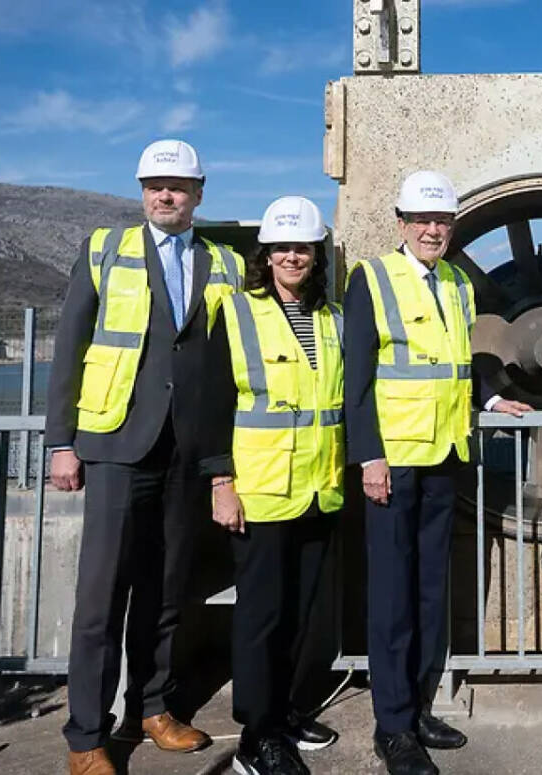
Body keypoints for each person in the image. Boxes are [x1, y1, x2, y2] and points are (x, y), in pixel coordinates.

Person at [46, 139, 244, 775]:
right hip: (114, 447)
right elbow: (70, 346)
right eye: (156, 184)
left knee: (166, 592)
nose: (167, 194)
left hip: (185, 451)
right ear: (141, 190)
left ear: (199, 193)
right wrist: (61, 443)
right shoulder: (106, 250)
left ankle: (152, 708)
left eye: (179, 186)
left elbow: (225, 360)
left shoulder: (223, 262)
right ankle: (86, 736)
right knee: (101, 598)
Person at [344, 170, 533, 775]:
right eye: (422, 221)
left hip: (445, 456)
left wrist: (491, 399)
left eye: (442, 221)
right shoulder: (371, 278)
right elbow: (358, 377)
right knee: (392, 597)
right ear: (401, 224)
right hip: (394, 463)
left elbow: (455, 359)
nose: (432, 230)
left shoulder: (455, 282)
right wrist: (369, 455)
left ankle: (421, 706)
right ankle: (392, 725)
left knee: (430, 591)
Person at [201, 196, 345, 775]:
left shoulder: (331, 319)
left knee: (304, 614)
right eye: (282, 248)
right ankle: (257, 737)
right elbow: (211, 404)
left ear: (315, 256)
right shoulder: (236, 313)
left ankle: (286, 712)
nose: (292, 257)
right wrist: (221, 482)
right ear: (267, 254)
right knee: (262, 616)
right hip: (259, 492)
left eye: (302, 249)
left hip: (318, 488)